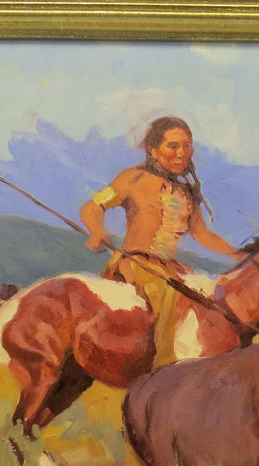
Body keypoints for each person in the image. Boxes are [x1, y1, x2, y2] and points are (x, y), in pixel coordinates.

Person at [80, 116, 244, 366]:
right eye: (173, 146)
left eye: (186, 146)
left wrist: (238, 254)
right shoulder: (131, 179)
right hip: (135, 263)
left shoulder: (187, 193)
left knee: (208, 297)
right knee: (167, 291)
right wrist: (96, 231)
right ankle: (163, 365)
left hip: (171, 267)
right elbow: (93, 207)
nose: (181, 153)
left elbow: (202, 235)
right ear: (153, 149)